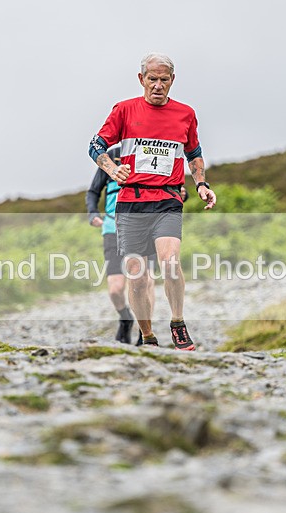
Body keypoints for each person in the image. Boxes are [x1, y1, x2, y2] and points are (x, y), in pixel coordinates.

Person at [88, 52, 216, 350]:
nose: (158, 86)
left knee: (170, 262)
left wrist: (201, 184)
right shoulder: (124, 110)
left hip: (167, 200)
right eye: (152, 79)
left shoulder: (185, 114)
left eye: (164, 79)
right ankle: (147, 336)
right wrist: (111, 168)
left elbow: (194, 154)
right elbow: (95, 145)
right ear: (141, 79)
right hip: (131, 202)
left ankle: (177, 322)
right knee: (137, 277)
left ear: (173, 80)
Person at [85, 145, 136, 344]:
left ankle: (145, 332)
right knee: (115, 289)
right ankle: (125, 319)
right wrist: (92, 213)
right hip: (111, 229)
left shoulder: (144, 150)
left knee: (141, 284)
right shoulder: (111, 156)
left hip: (140, 229)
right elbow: (93, 192)